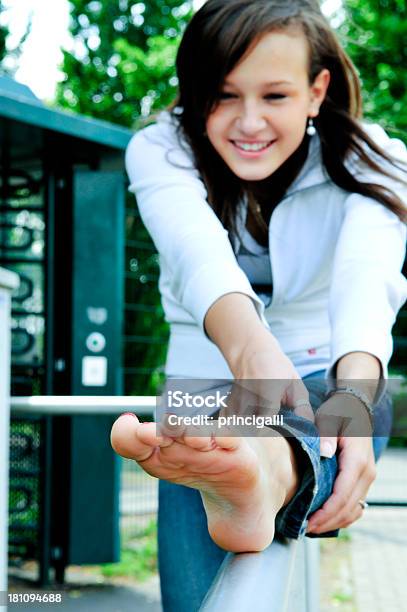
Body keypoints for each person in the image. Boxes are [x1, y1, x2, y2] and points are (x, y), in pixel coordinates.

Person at [111, 1, 407, 609]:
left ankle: (269, 467)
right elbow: (198, 254)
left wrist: (354, 393)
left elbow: (365, 279)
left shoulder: (376, 159)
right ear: (195, 92)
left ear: (316, 90)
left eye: (274, 95)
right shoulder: (159, 148)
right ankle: (253, 466)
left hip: (326, 370)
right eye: (223, 96)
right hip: (207, 380)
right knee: (195, 602)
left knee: (336, 398)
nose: (249, 122)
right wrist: (252, 356)